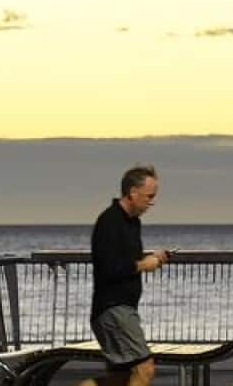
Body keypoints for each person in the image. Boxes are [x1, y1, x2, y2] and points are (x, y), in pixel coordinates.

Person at [80, 165, 170, 386]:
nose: (152, 202)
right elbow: (109, 268)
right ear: (132, 193)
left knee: (123, 378)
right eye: (149, 196)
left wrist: (151, 258)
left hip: (123, 308)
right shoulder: (110, 222)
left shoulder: (132, 223)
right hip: (113, 308)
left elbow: (127, 260)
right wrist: (143, 265)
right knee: (145, 369)